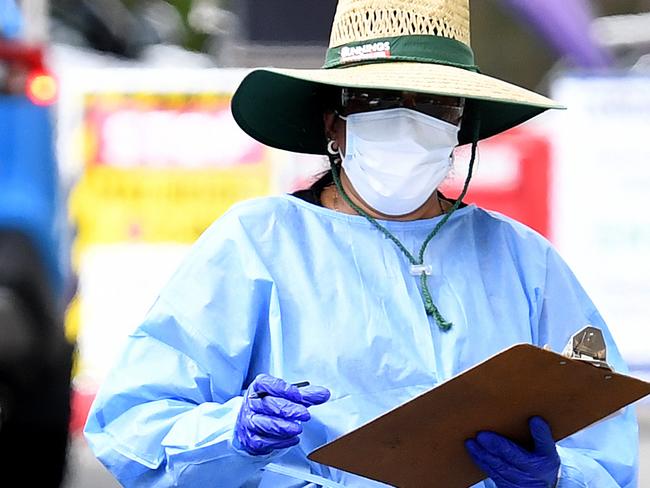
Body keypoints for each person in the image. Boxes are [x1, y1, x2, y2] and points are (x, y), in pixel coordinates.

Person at [84, 0, 639, 486]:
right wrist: (229, 433)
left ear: (461, 125)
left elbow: (604, 444)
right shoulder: (256, 244)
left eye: (433, 104)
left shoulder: (522, 259)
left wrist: (559, 476)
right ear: (333, 122)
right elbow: (134, 420)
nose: (404, 120)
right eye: (376, 98)